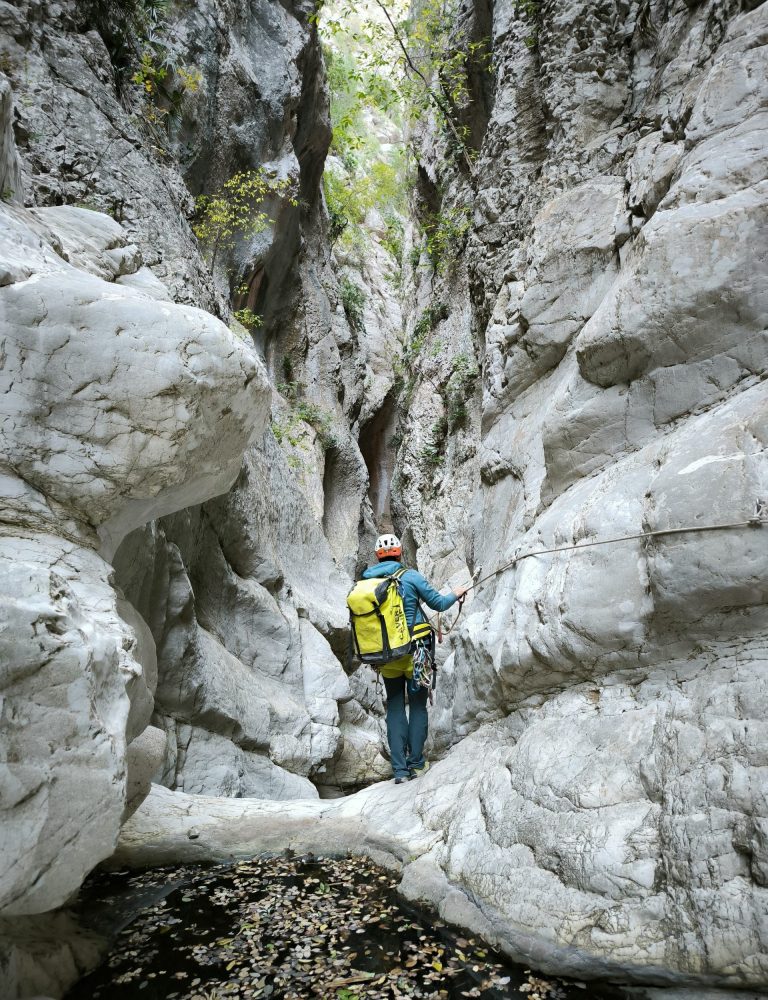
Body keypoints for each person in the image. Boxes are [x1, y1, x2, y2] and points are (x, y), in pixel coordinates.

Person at [362, 533, 467, 784]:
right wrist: (456, 593)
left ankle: (399, 771)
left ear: (377, 556)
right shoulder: (410, 577)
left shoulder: (365, 584)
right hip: (417, 653)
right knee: (418, 705)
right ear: (399, 553)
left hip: (387, 657)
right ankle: (416, 763)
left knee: (396, 706)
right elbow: (439, 604)